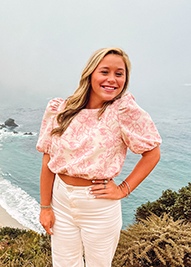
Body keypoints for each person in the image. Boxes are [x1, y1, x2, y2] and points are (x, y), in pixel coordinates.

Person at [36, 47, 162, 267]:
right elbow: (48, 160)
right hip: (60, 200)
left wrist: (123, 189)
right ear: (90, 74)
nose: (112, 79)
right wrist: (45, 207)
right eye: (105, 72)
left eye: (119, 73)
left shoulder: (122, 111)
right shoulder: (60, 109)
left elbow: (152, 153)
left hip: (99, 205)